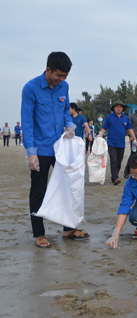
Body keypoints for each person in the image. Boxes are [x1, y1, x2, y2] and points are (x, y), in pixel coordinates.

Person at [21, 51, 89, 248]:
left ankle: (69, 228)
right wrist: (31, 152)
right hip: (40, 149)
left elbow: (66, 108)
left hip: (61, 147)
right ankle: (39, 233)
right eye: (59, 75)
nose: (62, 80)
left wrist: (69, 124)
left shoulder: (64, 86)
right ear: (48, 69)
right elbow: (27, 122)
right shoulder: (30, 88)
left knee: (68, 187)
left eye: (65, 76)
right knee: (39, 191)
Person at [97, 100, 137, 185]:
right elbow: (104, 128)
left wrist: (134, 138)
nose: (119, 108)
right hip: (111, 142)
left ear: (122, 108)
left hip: (121, 143)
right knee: (114, 159)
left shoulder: (126, 118)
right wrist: (100, 135)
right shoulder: (109, 117)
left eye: (120, 107)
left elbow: (130, 129)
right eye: (117, 107)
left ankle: (115, 176)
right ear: (114, 108)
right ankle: (115, 177)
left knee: (119, 161)